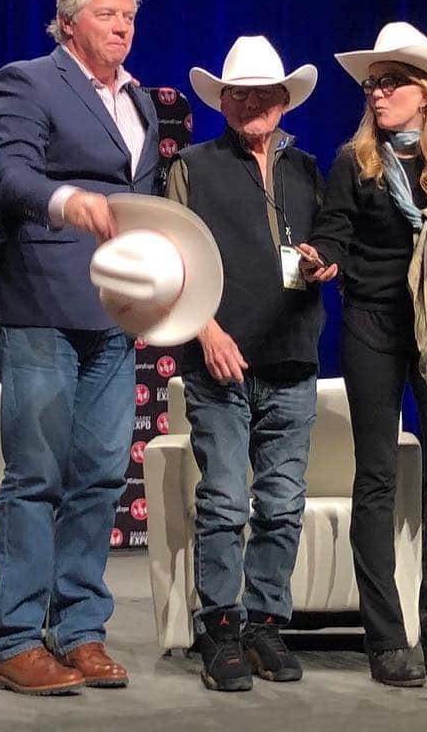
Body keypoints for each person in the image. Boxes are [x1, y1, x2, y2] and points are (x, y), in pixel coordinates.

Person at [0, 0, 159, 695]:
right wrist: (67, 201)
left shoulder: (140, 100)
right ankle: (15, 637)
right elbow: (10, 175)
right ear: (68, 21)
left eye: (129, 17)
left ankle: (80, 628)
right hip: (43, 305)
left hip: (114, 313)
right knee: (37, 475)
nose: (121, 26)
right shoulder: (30, 79)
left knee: (100, 474)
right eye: (107, 14)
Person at [299, 21, 427, 688]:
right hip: (373, 323)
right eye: (374, 84)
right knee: (375, 477)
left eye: (391, 83)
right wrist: (321, 257)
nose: (377, 94)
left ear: (426, 94)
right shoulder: (357, 163)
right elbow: (333, 230)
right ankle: (386, 640)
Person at [165, 35, 330, 691]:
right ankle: (221, 630)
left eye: (263, 92)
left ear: (284, 100)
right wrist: (205, 328)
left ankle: (265, 622)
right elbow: (170, 262)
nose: (250, 103)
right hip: (219, 365)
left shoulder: (307, 171)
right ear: (222, 100)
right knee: (226, 500)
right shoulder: (192, 167)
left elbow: (312, 252)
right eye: (238, 93)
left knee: (284, 505)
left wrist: (323, 262)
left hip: (291, 358)